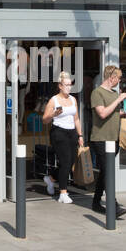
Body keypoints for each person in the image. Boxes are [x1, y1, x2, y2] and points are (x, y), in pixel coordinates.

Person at [89, 65, 126, 217]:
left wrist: (122, 113)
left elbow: (112, 113)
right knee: (107, 171)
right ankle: (113, 205)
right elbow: (102, 113)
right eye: (118, 78)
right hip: (100, 138)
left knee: (104, 171)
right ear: (111, 77)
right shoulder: (97, 93)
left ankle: (95, 202)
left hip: (114, 137)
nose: (119, 81)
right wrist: (119, 99)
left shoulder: (114, 93)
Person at [42, 72, 85, 204]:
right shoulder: (54, 100)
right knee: (66, 161)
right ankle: (63, 192)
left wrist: (80, 135)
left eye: (70, 85)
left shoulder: (73, 100)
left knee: (70, 162)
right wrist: (54, 114)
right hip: (58, 132)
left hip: (71, 132)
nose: (69, 87)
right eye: (66, 85)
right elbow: (44, 120)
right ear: (60, 86)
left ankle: (51, 178)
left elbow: (76, 119)